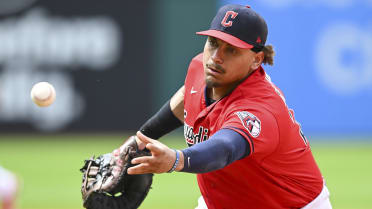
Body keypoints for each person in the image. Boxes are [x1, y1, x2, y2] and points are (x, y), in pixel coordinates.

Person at [121, 4, 332, 209]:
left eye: (231, 50)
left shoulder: (260, 108)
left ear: (257, 60)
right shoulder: (201, 68)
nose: (216, 57)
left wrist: (177, 159)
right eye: (213, 42)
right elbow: (187, 95)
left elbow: (225, 149)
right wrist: (139, 139)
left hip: (287, 205)